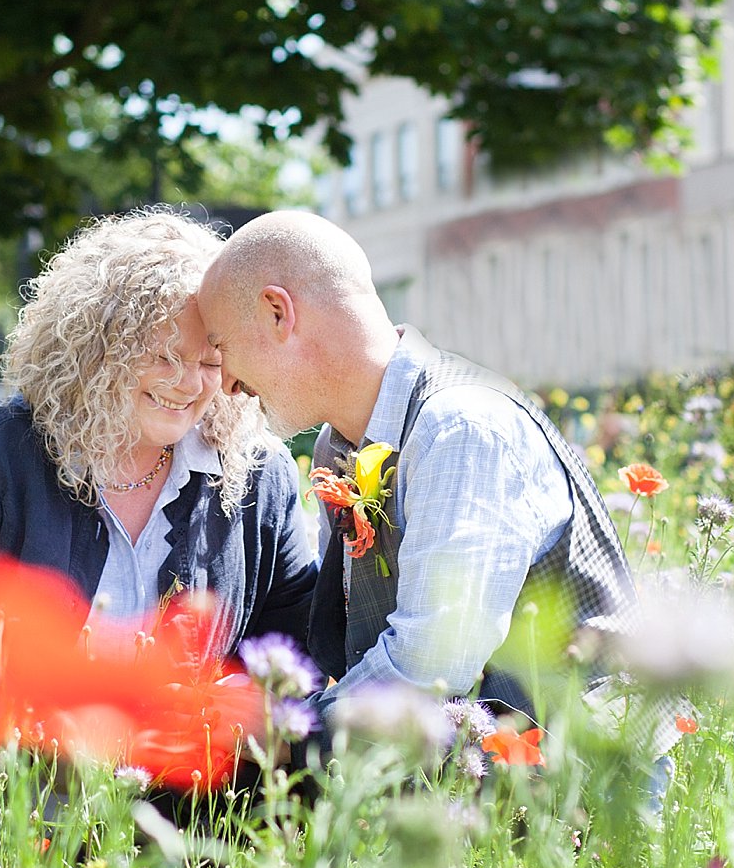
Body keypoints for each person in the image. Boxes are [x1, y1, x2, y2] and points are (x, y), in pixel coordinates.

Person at [194, 209, 681, 800]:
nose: (226, 386)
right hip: (478, 787)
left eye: (222, 347)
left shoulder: (460, 427)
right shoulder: (338, 445)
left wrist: (281, 730)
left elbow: (433, 665)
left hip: (589, 788)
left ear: (278, 313)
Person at [0, 208, 319, 788]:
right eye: (163, 356)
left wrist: (233, 703)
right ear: (94, 348)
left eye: (211, 361)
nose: (189, 384)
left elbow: (295, 644)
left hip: (180, 784)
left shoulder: (259, 471)